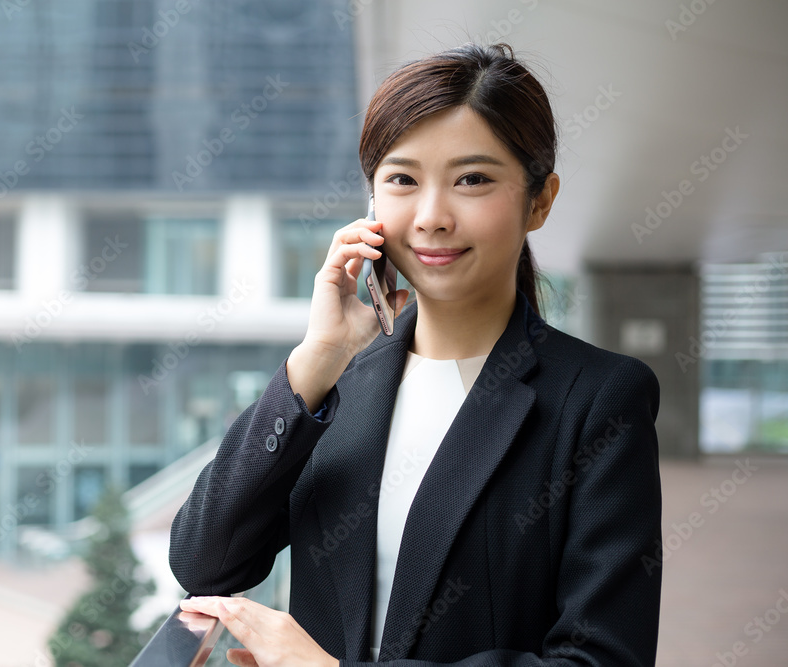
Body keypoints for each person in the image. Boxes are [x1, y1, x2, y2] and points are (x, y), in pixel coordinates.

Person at [171, 42, 662, 666]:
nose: (431, 217)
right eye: (402, 180)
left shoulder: (599, 399)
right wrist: (319, 357)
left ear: (539, 200)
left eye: (473, 180)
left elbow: (602, 658)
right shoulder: (336, 384)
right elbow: (204, 561)